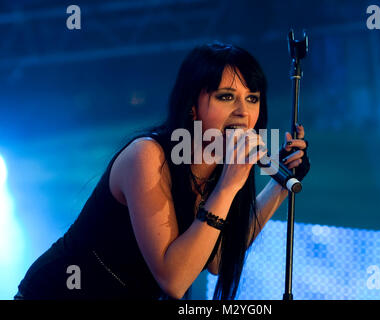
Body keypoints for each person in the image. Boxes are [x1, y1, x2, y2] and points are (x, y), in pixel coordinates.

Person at [15, 42, 310, 300]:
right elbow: (174, 280)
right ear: (193, 106)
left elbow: (217, 259)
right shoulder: (147, 156)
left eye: (252, 98)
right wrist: (228, 187)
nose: (243, 112)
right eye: (226, 96)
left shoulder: (222, 167)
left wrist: (279, 186)